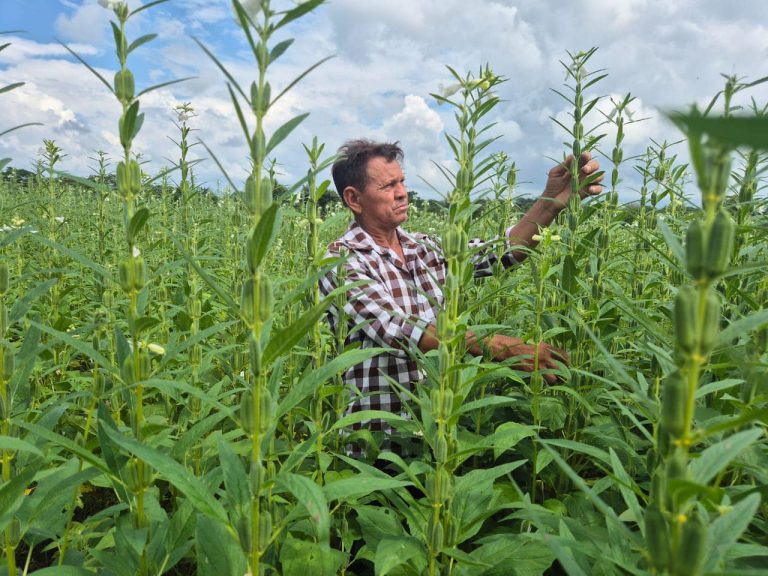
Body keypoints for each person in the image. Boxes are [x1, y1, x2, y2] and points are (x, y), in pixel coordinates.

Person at [319, 139, 603, 451]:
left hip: (436, 437)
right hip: (379, 446)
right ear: (353, 199)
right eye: (388, 186)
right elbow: (399, 329)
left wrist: (550, 201)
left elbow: (502, 252)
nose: (402, 192)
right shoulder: (341, 260)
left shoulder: (423, 247)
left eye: (402, 181)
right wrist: (502, 348)